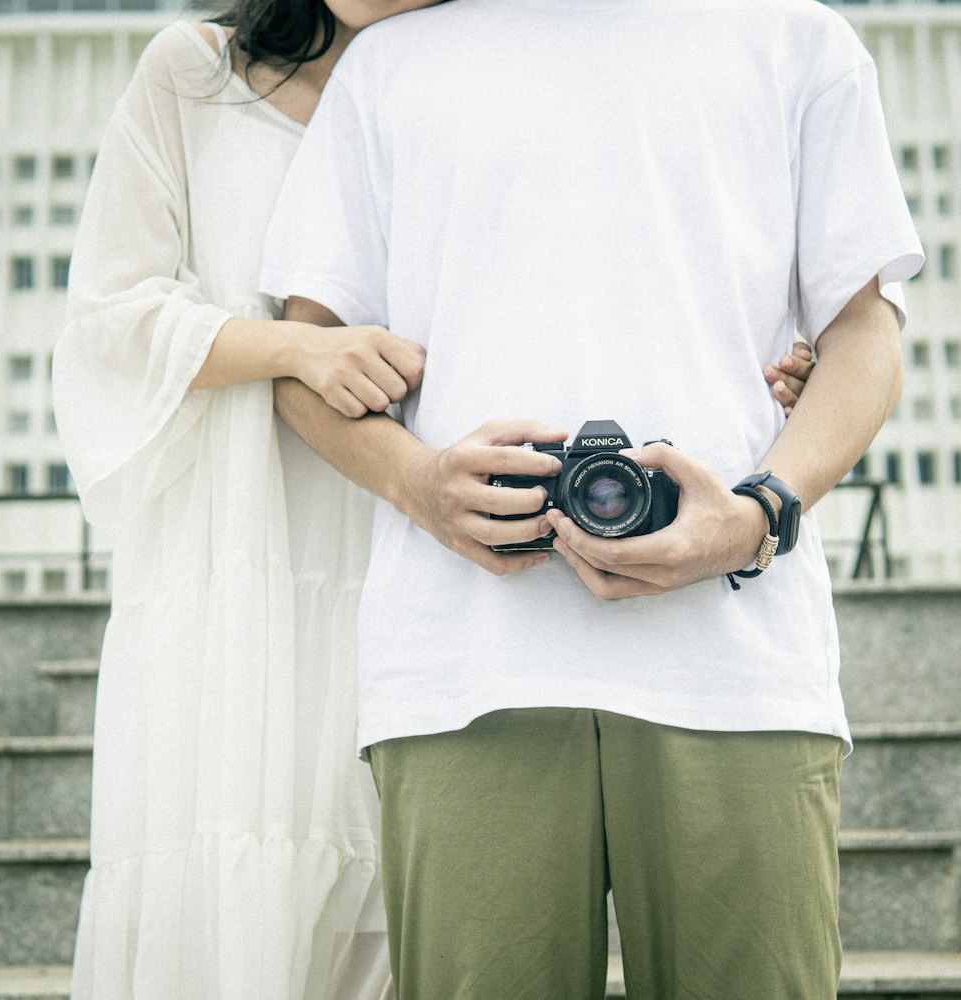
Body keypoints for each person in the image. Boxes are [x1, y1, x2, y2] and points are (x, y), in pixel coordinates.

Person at [261, 1, 924, 998]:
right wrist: (420, 484)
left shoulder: (796, 37)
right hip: (465, 664)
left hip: (736, 660)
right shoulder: (388, 67)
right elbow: (306, 361)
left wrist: (755, 514)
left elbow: (864, 335)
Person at [50, 1, 431, 997]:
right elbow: (112, 312)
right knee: (224, 874)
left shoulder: (458, 92)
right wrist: (302, 347)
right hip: (229, 549)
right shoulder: (194, 70)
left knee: (382, 883)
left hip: (402, 540)